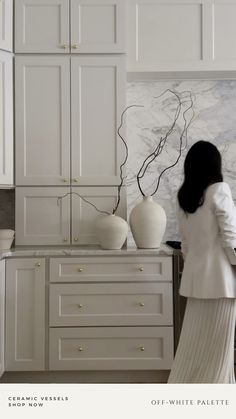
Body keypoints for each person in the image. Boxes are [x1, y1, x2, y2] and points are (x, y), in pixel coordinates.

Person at [168, 140, 236, 383]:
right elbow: (231, 238)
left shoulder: (184, 197)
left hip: (196, 283)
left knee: (193, 346)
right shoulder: (220, 190)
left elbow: (185, 244)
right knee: (220, 350)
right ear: (214, 164)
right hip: (221, 283)